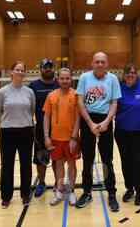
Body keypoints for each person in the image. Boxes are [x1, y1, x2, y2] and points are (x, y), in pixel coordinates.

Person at [75, 52, 121, 212]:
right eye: (97, 62)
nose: (100, 64)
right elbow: (80, 102)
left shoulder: (113, 79)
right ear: (92, 63)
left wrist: (107, 122)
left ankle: (111, 193)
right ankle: (87, 192)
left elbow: (114, 103)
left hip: (105, 121)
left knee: (107, 160)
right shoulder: (84, 78)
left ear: (107, 63)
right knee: (87, 160)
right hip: (88, 121)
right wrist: (90, 124)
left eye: (102, 62)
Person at [0, 61, 35, 208]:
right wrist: (6, 124)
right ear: (11, 72)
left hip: (26, 131)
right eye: (17, 69)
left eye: (22, 70)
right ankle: (6, 196)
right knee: (7, 166)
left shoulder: (29, 92)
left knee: (26, 165)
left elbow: (32, 111)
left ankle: (25, 194)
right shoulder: (2, 92)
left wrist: (23, 122)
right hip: (7, 133)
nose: (20, 72)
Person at [114, 64, 140, 206]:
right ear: (124, 75)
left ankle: (139, 191)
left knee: (137, 162)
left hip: (138, 133)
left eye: (133, 72)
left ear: (136, 74)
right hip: (121, 132)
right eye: (128, 72)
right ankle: (129, 189)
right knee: (125, 162)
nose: (131, 75)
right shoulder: (118, 88)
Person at [43, 68, 80, 206]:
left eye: (67, 78)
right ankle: (59, 190)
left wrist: (74, 138)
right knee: (58, 164)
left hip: (71, 138)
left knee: (71, 165)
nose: (65, 81)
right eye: (62, 78)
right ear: (57, 79)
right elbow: (46, 117)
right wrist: (46, 136)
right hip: (55, 138)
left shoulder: (76, 95)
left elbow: (78, 119)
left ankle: (71, 191)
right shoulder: (51, 96)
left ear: (71, 79)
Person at [29, 58, 59, 197]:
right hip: (40, 130)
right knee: (41, 159)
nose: (48, 69)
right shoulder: (33, 86)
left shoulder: (60, 84)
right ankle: (41, 182)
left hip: (58, 129)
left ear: (54, 69)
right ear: (40, 69)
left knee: (57, 158)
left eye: (50, 67)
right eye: (45, 67)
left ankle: (58, 183)